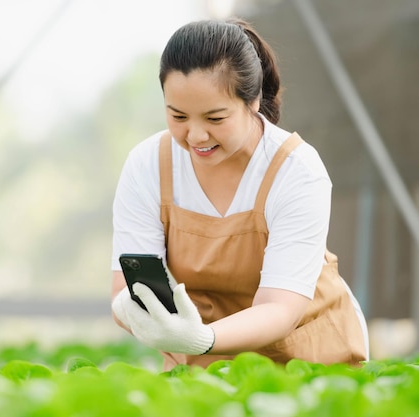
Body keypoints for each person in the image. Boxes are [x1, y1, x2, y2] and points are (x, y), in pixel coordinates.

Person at [110, 18, 369, 369]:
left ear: (254, 101)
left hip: (310, 361)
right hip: (205, 364)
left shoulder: (296, 170)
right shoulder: (147, 165)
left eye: (215, 118)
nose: (196, 135)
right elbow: (132, 285)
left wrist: (202, 338)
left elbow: (279, 307)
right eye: (178, 116)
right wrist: (132, 308)